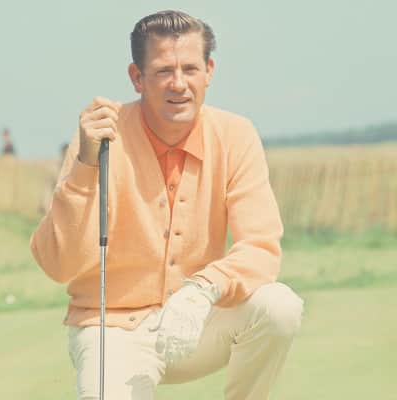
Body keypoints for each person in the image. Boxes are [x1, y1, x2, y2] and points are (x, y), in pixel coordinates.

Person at [30, 10, 303, 400]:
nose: (179, 83)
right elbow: (58, 265)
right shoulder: (99, 138)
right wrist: (85, 166)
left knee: (280, 306)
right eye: (162, 71)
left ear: (209, 71)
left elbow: (260, 248)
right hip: (113, 329)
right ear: (137, 77)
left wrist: (203, 289)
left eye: (190, 69)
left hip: (200, 319)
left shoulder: (237, 134)